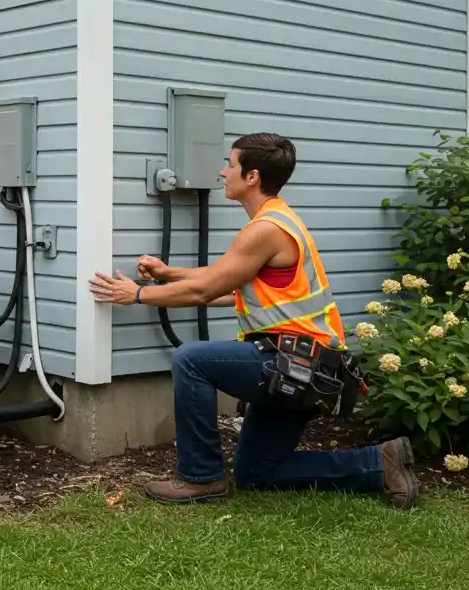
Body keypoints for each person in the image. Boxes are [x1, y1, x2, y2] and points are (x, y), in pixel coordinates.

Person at [88, 132, 420, 508]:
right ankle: (380, 463)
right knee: (257, 472)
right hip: (304, 368)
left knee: (190, 360)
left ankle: (200, 477)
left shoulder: (265, 230)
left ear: (252, 177)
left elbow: (205, 290)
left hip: (298, 365)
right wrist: (168, 274)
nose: (222, 171)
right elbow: (230, 288)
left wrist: (137, 295)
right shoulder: (278, 220)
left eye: (230, 164)